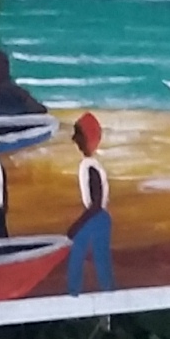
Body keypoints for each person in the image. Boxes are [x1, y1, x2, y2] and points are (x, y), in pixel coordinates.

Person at [65, 112, 116, 293]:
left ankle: (75, 293)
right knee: (97, 259)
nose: (74, 139)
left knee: (81, 256)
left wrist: (77, 225)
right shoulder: (89, 165)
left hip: (97, 218)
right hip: (97, 217)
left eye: (77, 134)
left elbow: (95, 204)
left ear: (86, 137)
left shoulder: (90, 167)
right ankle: (104, 292)